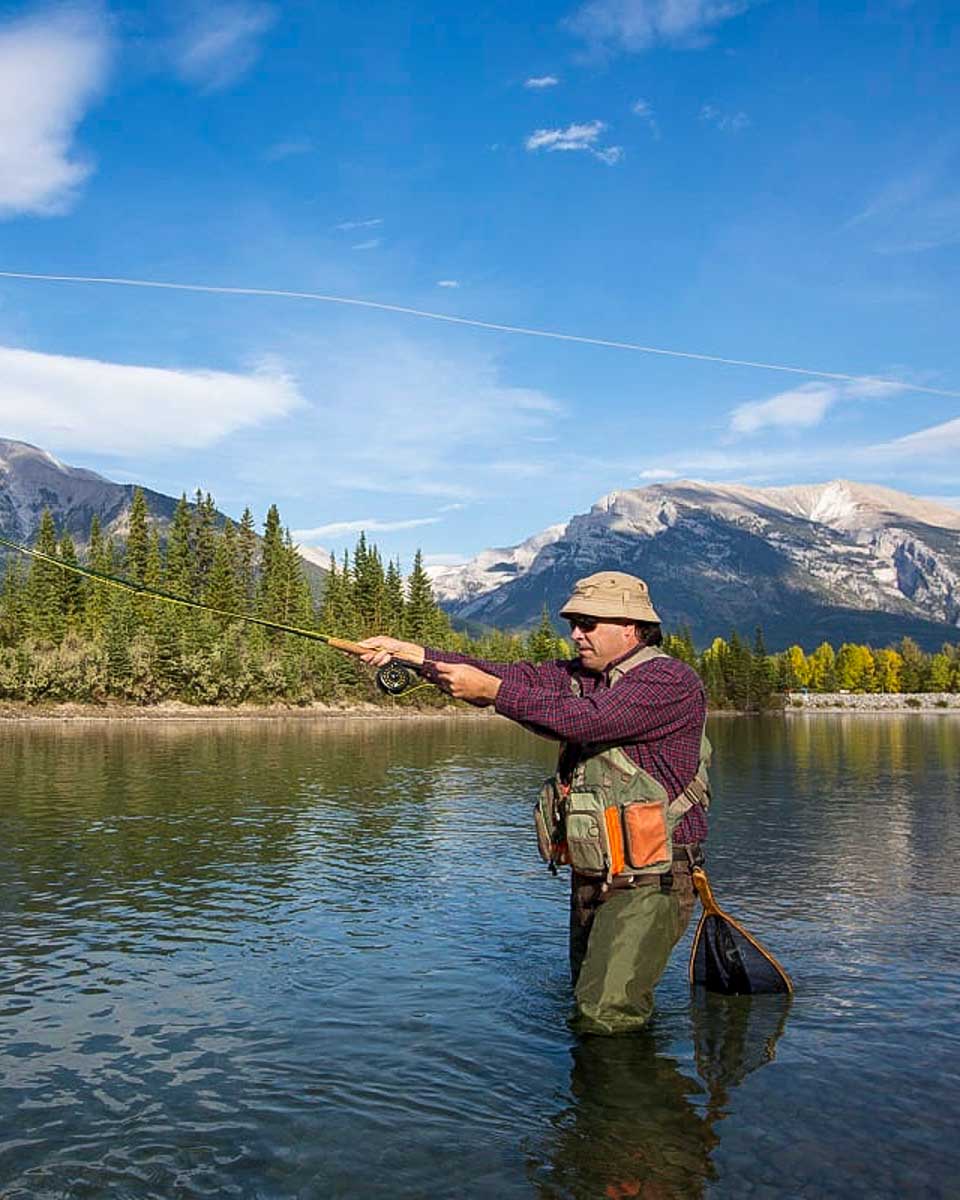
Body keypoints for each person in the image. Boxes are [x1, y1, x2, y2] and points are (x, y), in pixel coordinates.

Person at [358, 571, 710, 1035]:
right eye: (572, 623)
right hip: (594, 873)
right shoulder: (580, 677)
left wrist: (494, 696)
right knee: (590, 1002)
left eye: (588, 623)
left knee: (605, 1018)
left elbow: (588, 721)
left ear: (631, 626)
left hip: (652, 876)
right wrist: (414, 655)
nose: (576, 634)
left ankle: (627, 1105)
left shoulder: (668, 680)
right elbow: (503, 674)